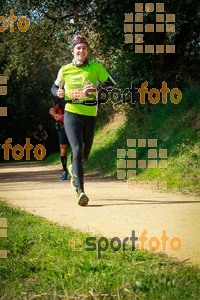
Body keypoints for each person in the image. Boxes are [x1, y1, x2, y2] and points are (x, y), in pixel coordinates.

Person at [51, 35, 115, 206]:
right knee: (77, 148)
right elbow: (54, 86)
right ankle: (80, 191)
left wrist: (97, 88)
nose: (81, 51)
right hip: (71, 112)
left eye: (84, 48)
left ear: (87, 51)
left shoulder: (96, 68)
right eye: (78, 48)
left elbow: (111, 85)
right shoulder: (65, 69)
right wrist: (58, 92)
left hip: (90, 113)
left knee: (84, 154)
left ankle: (73, 168)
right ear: (72, 50)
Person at [49, 98, 70, 180]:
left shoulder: (75, 93)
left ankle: (75, 169)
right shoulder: (58, 98)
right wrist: (56, 116)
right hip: (62, 126)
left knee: (76, 147)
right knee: (63, 148)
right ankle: (65, 171)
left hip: (74, 125)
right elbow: (51, 110)